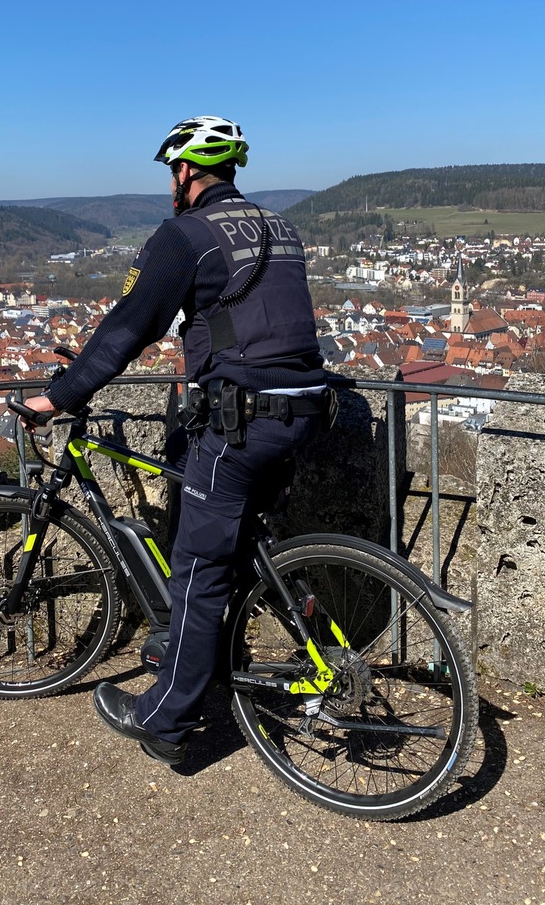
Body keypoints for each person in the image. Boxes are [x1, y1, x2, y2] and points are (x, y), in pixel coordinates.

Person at [23, 116, 327, 765]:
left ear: (186, 171)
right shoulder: (281, 227)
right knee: (231, 534)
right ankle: (217, 649)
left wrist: (59, 397)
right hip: (305, 412)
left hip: (241, 421)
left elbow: (127, 329)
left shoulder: (185, 235)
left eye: (171, 171)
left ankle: (166, 720)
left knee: (198, 569)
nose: (170, 182)